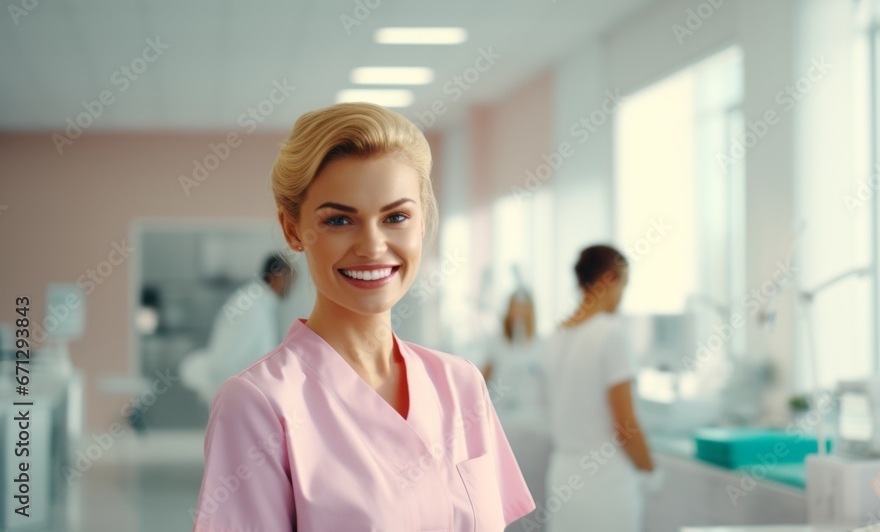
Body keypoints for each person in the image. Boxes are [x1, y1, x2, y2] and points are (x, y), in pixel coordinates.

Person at [192, 102, 534, 531]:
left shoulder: (460, 384)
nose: (372, 247)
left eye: (396, 217)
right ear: (293, 230)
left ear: (422, 222)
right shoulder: (258, 405)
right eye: (339, 220)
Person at [542, 245, 655, 532]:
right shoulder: (612, 334)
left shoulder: (557, 336)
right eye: (624, 285)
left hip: (562, 478)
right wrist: (650, 468)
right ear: (610, 278)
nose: (622, 297)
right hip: (605, 485)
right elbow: (625, 425)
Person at [179, 253, 294, 405]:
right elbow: (253, 358)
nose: (291, 285)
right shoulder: (252, 306)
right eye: (290, 278)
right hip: (238, 396)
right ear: (277, 275)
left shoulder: (256, 302)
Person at [482, 289, 546, 428]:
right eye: (515, 307)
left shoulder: (541, 345)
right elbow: (481, 380)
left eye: (524, 308)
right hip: (503, 418)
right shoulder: (497, 343)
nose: (519, 313)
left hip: (534, 421)